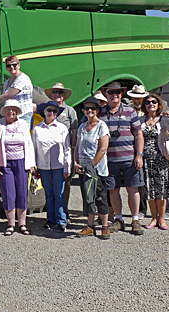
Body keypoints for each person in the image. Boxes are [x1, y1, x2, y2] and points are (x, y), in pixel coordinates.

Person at [99, 82, 145, 235]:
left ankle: (135, 220)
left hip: (129, 158)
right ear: (106, 94)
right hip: (109, 160)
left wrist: (139, 154)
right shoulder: (100, 113)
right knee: (113, 190)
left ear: (122, 94)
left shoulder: (130, 111)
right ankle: (118, 219)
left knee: (133, 189)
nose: (114, 95)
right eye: (111, 92)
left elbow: (139, 134)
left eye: (117, 92)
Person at [0, 99, 36, 236]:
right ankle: (11, 224)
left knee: (22, 192)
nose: (11, 112)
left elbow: (29, 143)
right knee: (8, 193)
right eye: (8, 109)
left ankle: (22, 224)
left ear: (17, 112)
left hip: (22, 161)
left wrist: (32, 163)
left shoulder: (23, 124)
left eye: (14, 109)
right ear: (4, 111)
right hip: (5, 163)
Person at [74, 96, 111, 240]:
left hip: (97, 169)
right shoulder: (82, 127)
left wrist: (91, 166)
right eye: (87, 108)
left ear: (97, 110)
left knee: (100, 197)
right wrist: (75, 162)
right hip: (84, 168)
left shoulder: (102, 126)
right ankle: (90, 226)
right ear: (83, 110)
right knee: (88, 198)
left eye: (93, 108)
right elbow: (77, 146)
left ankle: (104, 226)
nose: (90, 110)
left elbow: (103, 149)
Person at [31, 100, 71, 232]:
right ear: (44, 112)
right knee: (49, 194)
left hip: (59, 166)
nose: (52, 113)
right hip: (43, 166)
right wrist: (33, 165)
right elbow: (33, 148)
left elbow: (67, 149)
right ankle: (51, 219)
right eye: (49, 110)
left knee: (59, 194)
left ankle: (61, 221)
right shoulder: (37, 129)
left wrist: (67, 167)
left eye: (55, 111)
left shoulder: (62, 128)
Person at [140, 94, 169, 230]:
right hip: (146, 160)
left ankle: (162, 219)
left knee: (161, 189)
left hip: (160, 158)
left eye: (154, 102)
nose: (151, 104)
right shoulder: (141, 120)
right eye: (148, 102)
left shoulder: (163, 119)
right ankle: (153, 218)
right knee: (149, 189)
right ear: (145, 106)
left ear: (158, 104)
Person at [44, 83, 77, 222]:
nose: (58, 95)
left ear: (64, 95)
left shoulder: (70, 110)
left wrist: (74, 149)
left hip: (65, 152)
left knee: (66, 182)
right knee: (50, 185)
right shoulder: (47, 108)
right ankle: (53, 213)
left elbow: (74, 131)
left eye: (60, 92)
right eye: (55, 92)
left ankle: (65, 210)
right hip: (48, 154)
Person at [127, 84, 150, 220]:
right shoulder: (129, 111)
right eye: (135, 98)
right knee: (138, 182)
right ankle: (142, 208)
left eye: (139, 98)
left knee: (153, 180)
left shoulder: (149, 111)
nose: (137, 101)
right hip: (134, 150)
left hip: (150, 149)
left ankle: (162, 208)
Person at [0, 55, 33, 127]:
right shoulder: (7, 82)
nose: (12, 67)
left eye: (14, 64)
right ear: (6, 68)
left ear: (19, 65)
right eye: (9, 65)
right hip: (10, 115)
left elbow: (8, 96)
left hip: (23, 114)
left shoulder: (23, 78)